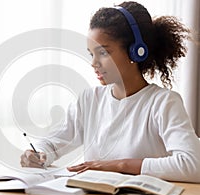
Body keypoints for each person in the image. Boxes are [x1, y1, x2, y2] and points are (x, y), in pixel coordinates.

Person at [20, 1, 200, 183]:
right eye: (91, 54)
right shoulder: (90, 100)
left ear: (136, 52)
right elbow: (52, 143)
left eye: (103, 53)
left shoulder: (163, 103)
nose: (94, 63)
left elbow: (194, 165)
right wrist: (38, 154)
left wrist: (119, 166)